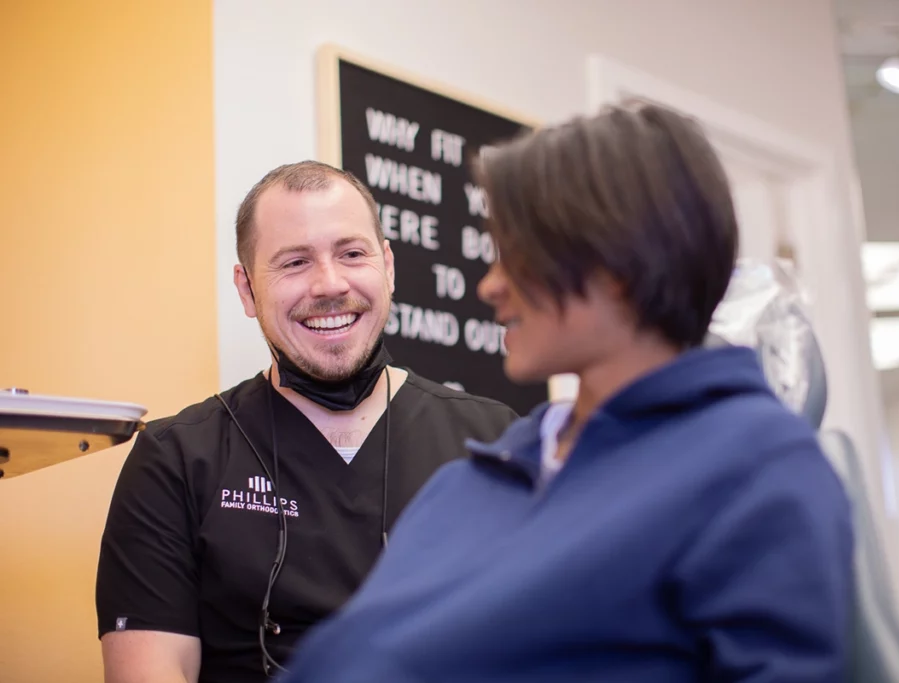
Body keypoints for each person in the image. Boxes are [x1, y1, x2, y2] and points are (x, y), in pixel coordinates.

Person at [278, 101, 854, 683]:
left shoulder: (753, 466)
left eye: (518, 258)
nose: (491, 286)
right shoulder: (480, 473)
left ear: (617, 266)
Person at [94, 161, 518, 683]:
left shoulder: (496, 442)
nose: (329, 284)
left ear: (388, 267)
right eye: (294, 263)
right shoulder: (174, 458)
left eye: (353, 253)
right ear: (247, 290)